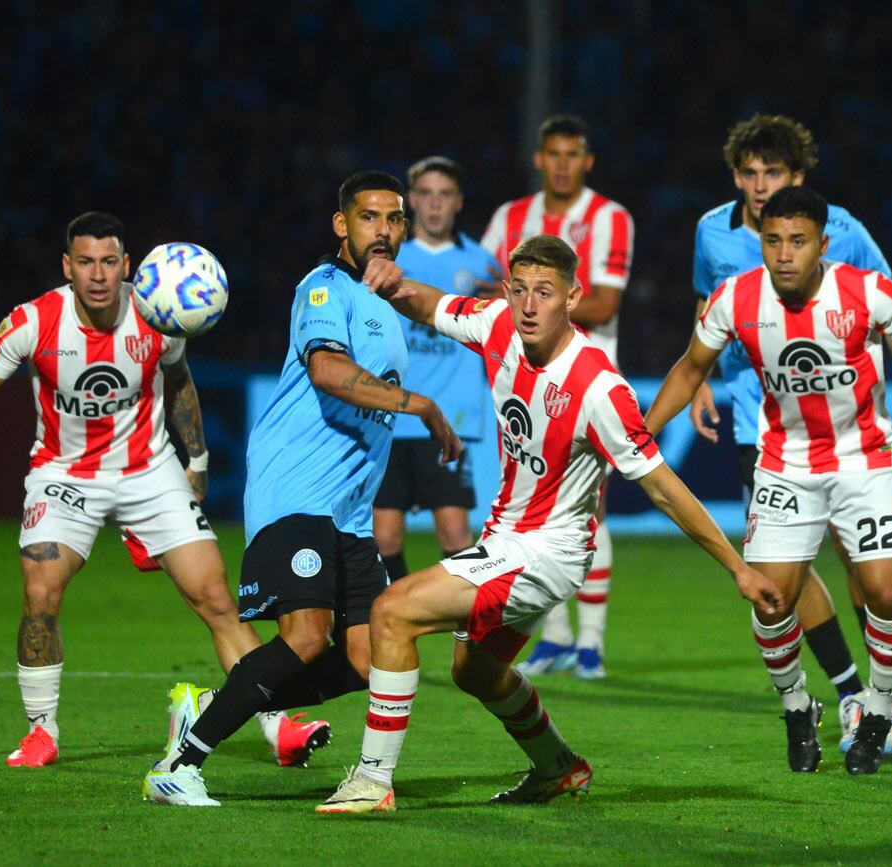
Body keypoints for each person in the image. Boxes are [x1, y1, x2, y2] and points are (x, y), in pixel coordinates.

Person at [316, 235, 781, 813]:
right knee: (476, 672)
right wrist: (396, 282)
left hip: (545, 552)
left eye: (544, 292)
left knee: (393, 611)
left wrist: (736, 566)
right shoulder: (498, 325)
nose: (529, 305)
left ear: (572, 298)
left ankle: (372, 781)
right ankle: (559, 767)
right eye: (520, 291)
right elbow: (431, 306)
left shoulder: (598, 387)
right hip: (508, 538)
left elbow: (662, 486)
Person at [0, 212, 321, 769]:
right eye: (86, 262)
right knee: (41, 591)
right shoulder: (32, 322)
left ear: (127, 266)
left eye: (110, 262)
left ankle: (278, 726)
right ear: (68, 267)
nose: (98, 275)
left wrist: (197, 459)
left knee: (216, 597)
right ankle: (41, 731)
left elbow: (179, 381)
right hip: (65, 475)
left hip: (148, 471)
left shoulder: (158, 315)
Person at [645, 187, 892, 774]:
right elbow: (691, 369)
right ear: (759, 240)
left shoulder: (864, 291)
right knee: (770, 600)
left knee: (885, 591)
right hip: (786, 463)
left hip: (863, 459)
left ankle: (881, 708)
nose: (784, 254)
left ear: (821, 244)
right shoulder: (734, 298)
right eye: (772, 241)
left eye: (798, 241)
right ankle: (796, 705)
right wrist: (642, 435)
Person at [143, 172, 462, 806]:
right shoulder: (323, 287)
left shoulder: (388, 309)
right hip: (295, 491)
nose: (384, 230)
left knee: (370, 661)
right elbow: (328, 370)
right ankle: (178, 769)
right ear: (342, 225)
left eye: (394, 219)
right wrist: (420, 405)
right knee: (306, 637)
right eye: (369, 218)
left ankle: (209, 709)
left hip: (346, 513)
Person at [690, 113, 892, 753]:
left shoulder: (839, 230)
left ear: (797, 176)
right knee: (787, 572)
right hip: (760, 422)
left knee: (860, 559)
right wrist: (703, 383)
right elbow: (706, 305)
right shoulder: (712, 231)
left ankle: (883, 696)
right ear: (736, 175)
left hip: (847, 428)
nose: (762, 184)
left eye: (775, 172)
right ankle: (850, 690)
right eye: (751, 172)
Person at [482, 115, 634, 679]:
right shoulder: (508, 218)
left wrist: (533, 302)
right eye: (554, 153)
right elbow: (488, 285)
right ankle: (556, 635)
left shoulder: (611, 218)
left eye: (574, 154)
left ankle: (590, 641)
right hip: (522, 384)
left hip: (586, 381)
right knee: (531, 509)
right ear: (538, 159)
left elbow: (603, 305)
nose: (563, 163)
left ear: (587, 161)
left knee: (588, 507)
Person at [373, 156, 500, 582]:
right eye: (425, 194)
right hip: (390, 418)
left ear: (459, 202)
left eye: (444, 195)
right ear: (410, 200)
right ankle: (392, 619)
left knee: (454, 532)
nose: (434, 204)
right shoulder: (387, 259)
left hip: (452, 419)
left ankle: (468, 638)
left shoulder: (483, 264)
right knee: (385, 538)